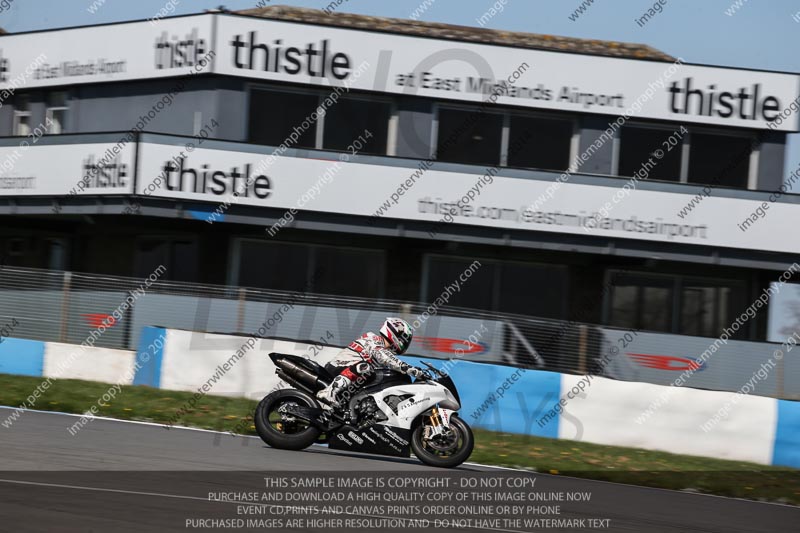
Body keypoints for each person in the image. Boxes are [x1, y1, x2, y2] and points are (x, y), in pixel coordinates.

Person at [316, 317, 428, 412]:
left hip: (350, 377)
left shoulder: (383, 352)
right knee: (365, 367)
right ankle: (328, 392)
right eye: (405, 338)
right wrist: (409, 369)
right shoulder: (374, 339)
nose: (405, 342)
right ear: (395, 333)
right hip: (337, 368)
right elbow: (385, 357)